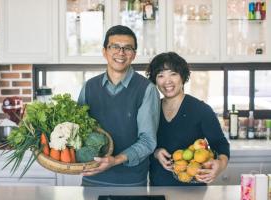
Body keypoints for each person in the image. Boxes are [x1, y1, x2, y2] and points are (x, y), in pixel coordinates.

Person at [77, 25, 160, 186]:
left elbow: (148, 141)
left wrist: (115, 160)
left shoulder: (146, 89)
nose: (121, 53)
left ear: (134, 55)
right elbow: (78, 131)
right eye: (115, 46)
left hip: (131, 183)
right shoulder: (89, 87)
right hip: (91, 179)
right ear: (104, 51)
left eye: (127, 48)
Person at [146, 52, 230, 186]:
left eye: (173, 74)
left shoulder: (201, 110)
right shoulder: (151, 110)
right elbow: (144, 144)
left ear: (183, 76)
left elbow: (220, 143)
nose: (167, 81)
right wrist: (156, 152)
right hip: (158, 186)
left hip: (193, 188)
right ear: (155, 80)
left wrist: (220, 164)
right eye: (160, 75)